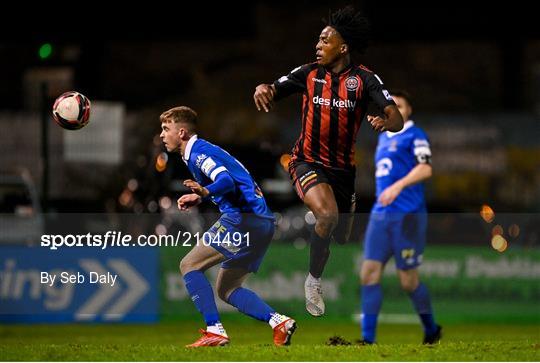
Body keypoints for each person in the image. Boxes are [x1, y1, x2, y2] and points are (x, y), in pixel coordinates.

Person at [253, 6, 403, 316]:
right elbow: (273, 87)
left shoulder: (364, 80)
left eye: (324, 41)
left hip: (343, 172)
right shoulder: (308, 73)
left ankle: (320, 261)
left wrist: (385, 122)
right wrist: (263, 88)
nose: (317, 46)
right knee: (326, 216)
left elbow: (396, 117)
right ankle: (313, 281)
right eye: (318, 41)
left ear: (343, 47)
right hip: (306, 162)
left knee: (342, 235)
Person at [159, 106, 297, 347]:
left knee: (189, 264)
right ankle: (279, 322)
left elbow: (225, 180)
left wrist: (203, 193)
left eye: (165, 129)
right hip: (262, 222)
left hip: (242, 219)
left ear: (181, 132)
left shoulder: (198, 152)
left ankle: (214, 330)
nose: (162, 134)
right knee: (228, 288)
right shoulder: (201, 151)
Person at [359, 91, 442, 344]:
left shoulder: (415, 135)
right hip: (381, 216)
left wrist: (398, 186)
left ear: (409, 111)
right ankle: (367, 340)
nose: (394, 109)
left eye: (400, 105)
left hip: (408, 217)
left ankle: (431, 329)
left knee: (408, 281)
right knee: (368, 273)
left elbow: (425, 168)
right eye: (391, 106)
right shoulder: (383, 138)